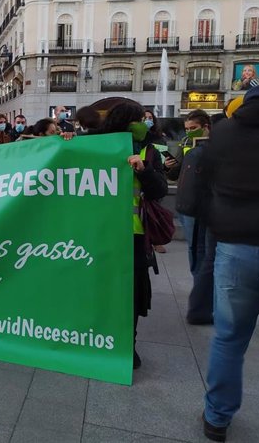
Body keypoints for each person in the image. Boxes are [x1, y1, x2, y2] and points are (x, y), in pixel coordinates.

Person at [201, 78, 259, 442]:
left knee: (228, 339)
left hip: (235, 246)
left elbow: (205, 177)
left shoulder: (224, 133)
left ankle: (217, 419)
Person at [97, 101, 168, 370]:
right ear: (125, 121)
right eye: (140, 118)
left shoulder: (150, 151)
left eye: (147, 119)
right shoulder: (97, 144)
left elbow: (160, 189)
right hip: (100, 235)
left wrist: (144, 170)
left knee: (133, 294)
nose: (145, 123)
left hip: (135, 237)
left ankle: (128, 344)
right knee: (102, 290)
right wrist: (65, 139)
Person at [166, 109, 211, 282]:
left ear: (205, 127)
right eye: (187, 128)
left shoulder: (217, 144)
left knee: (207, 246)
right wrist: (168, 166)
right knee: (193, 246)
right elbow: (174, 174)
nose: (189, 131)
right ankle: (198, 280)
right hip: (188, 202)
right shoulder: (185, 143)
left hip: (208, 203)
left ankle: (206, 281)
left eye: (193, 128)